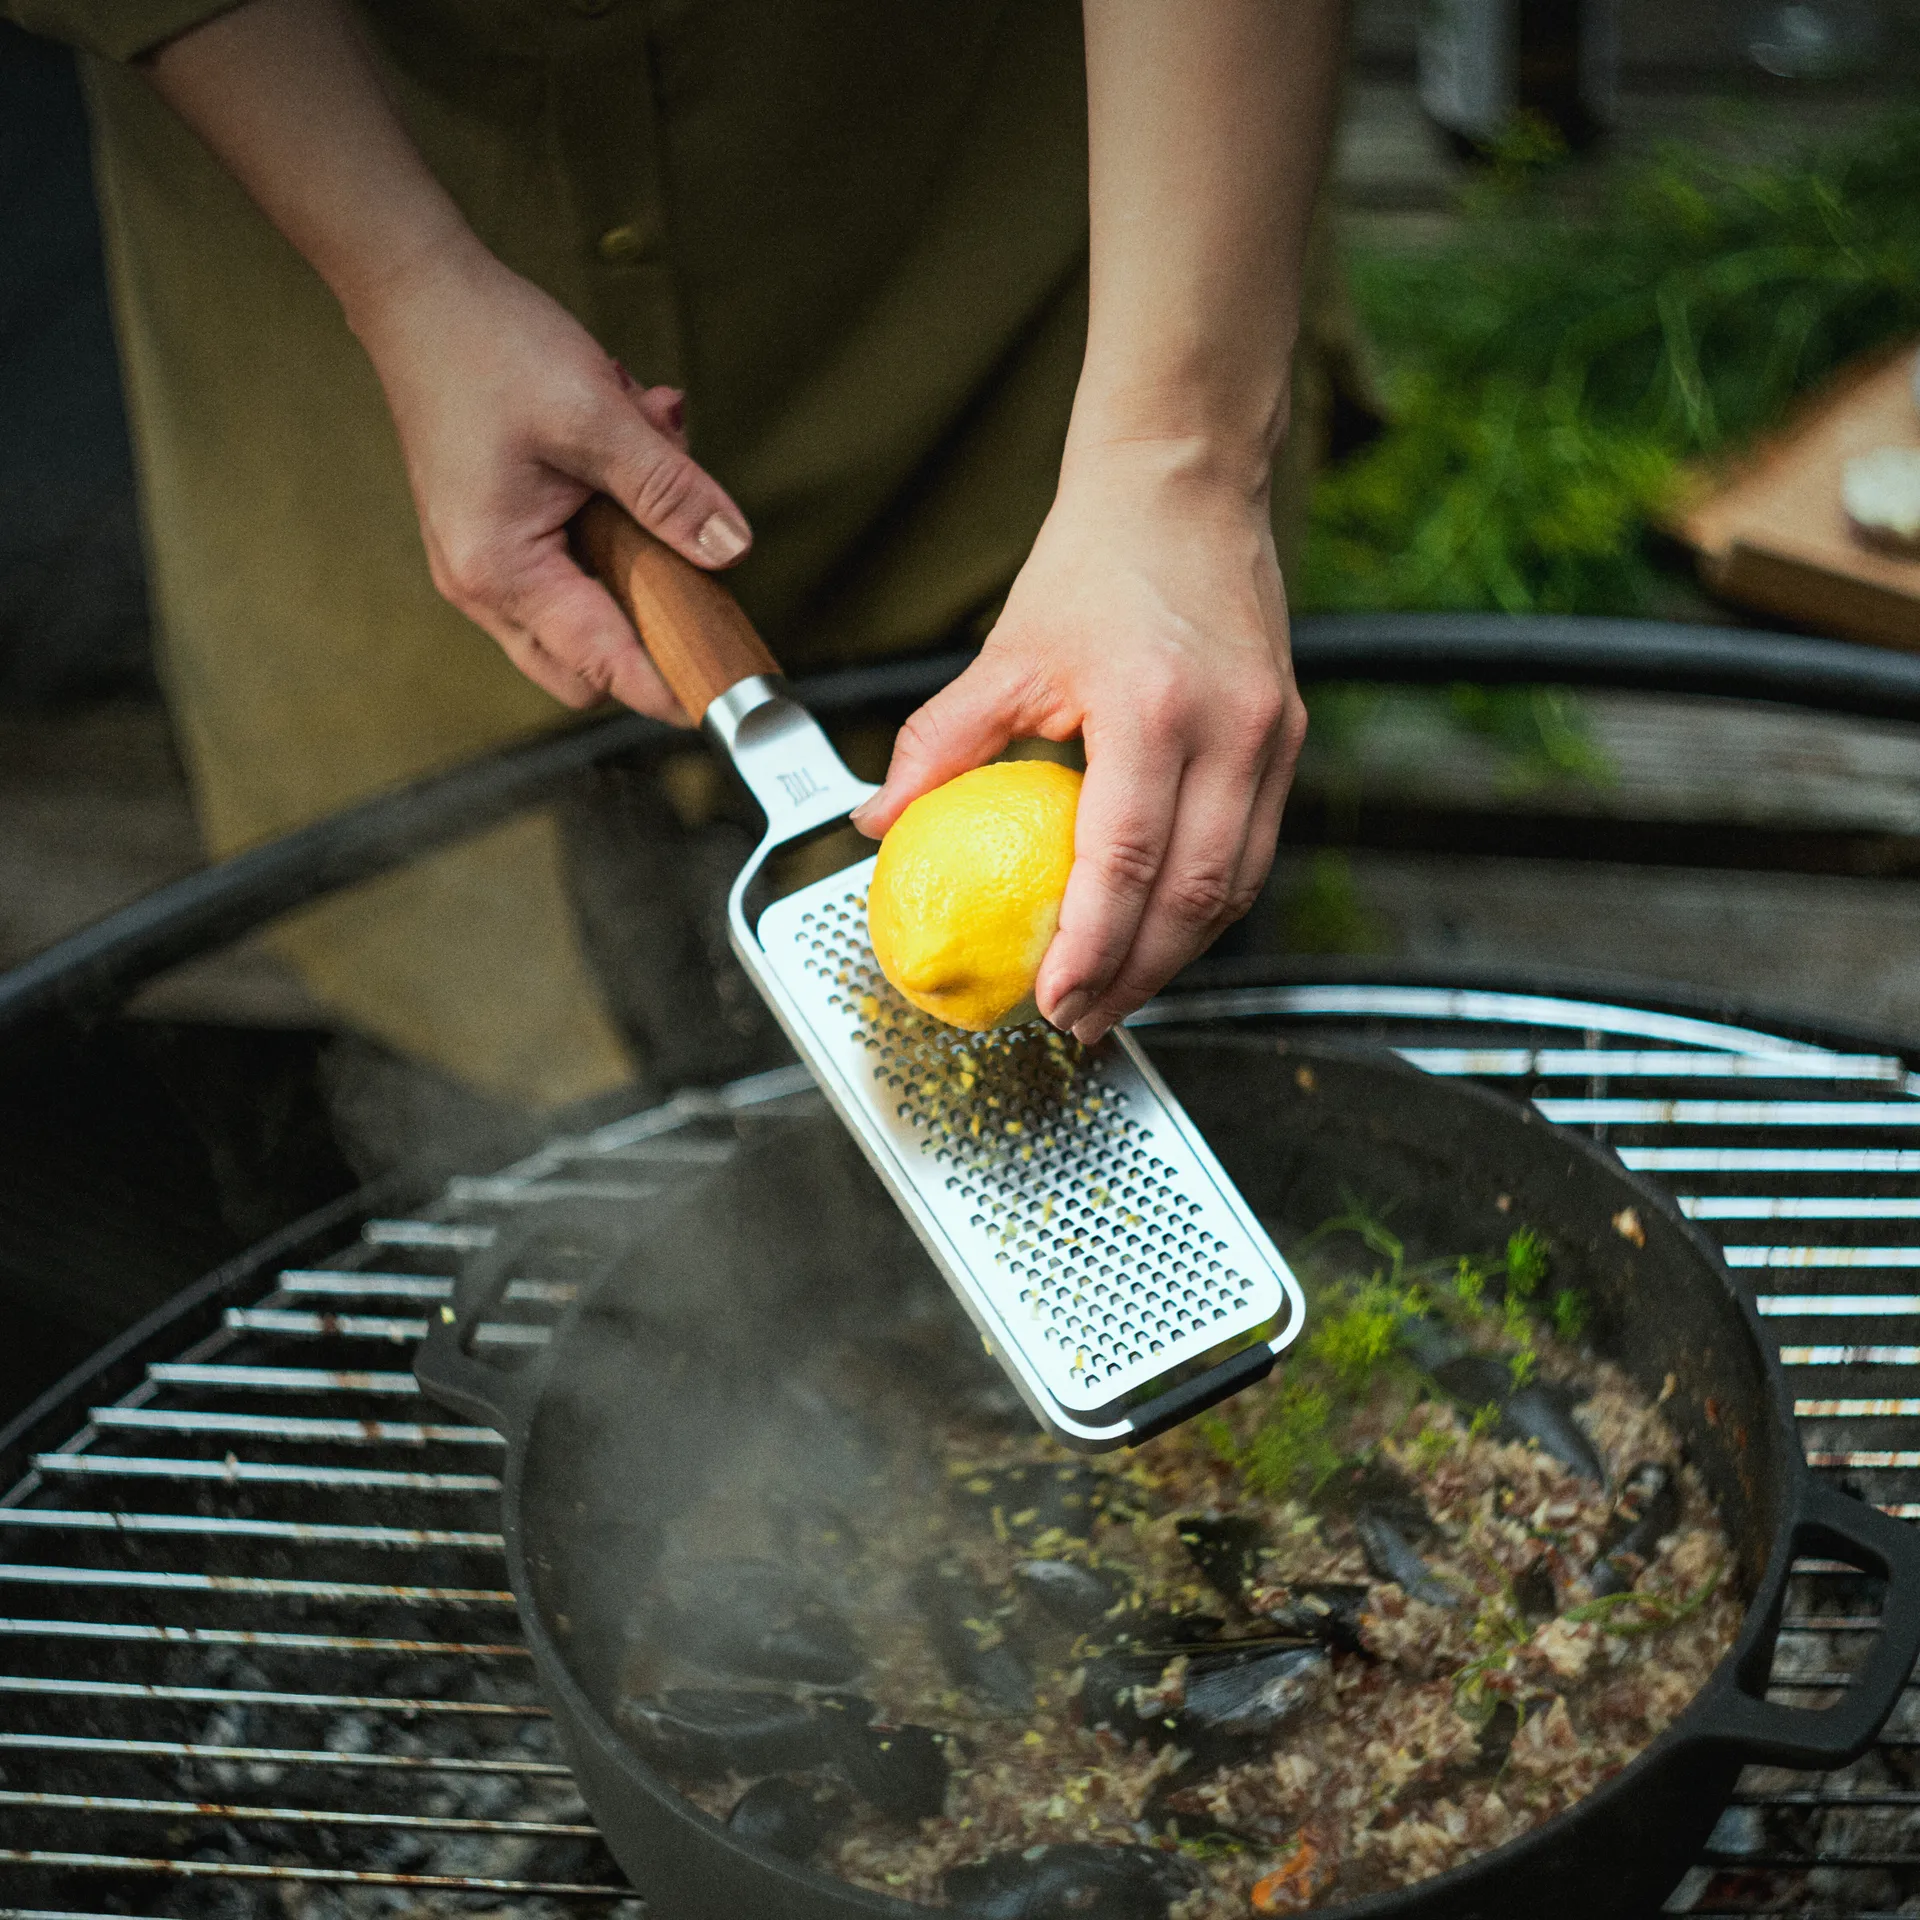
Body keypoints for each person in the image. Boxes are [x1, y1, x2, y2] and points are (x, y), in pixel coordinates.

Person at [7, 0, 1344, 1108]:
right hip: (322, 209)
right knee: (509, 1066)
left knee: (1144, 874)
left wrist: (1175, 459)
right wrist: (402, 277)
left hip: (1006, 237)